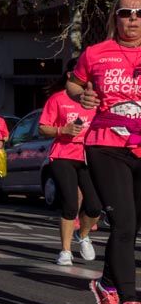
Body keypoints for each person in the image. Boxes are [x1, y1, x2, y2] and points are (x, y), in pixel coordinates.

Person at [69, 0, 141, 304]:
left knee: (134, 225)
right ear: (116, 17)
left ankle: (107, 284)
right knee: (124, 224)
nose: (133, 19)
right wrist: (82, 94)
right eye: (126, 12)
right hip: (106, 144)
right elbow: (73, 85)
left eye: (139, 13)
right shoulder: (96, 53)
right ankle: (131, 302)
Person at [37, 76, 100, 266]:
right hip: (63, 156)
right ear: (70, 77)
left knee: (95, 206)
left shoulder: (98, 100)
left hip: (88, 156)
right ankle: (65, 251)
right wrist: (62, 130)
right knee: (70, 204)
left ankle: (82, 235)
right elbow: (42, 128)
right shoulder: (57, 99)